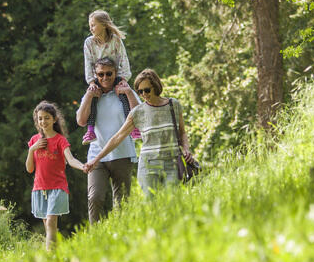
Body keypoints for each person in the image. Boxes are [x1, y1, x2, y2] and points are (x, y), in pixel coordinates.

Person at [84, 69, 193, 194]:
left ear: (156, 86)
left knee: (172, 203)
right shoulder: (137, 112)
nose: (144, 95)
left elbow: (182, 132)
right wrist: (96, 159)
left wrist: (186, 148)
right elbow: (117, 137)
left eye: (147, 90)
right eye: (140, 92)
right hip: (149, 166)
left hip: (172, 164)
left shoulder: (173, 105)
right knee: (152, 207)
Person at [76, 57, 139, 223]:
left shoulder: (124, 91)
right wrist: (89, 96)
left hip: (123, 153)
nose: (105, 78)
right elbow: (81, 121)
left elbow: (139, 116)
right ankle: (95, 236)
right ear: (95, 75)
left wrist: (129, 92)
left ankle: (121, 235)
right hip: (97, 155)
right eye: (100, 74)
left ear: (116, 73)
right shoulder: (92, 94)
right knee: (95, 197)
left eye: (109, 73)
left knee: (122, 202)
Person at [25, 101, 86, 250]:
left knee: (51, 222)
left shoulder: (60, 140)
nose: (43, 121)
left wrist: (83, 166)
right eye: (40, 118)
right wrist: (32, 149)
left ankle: (49, 257)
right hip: (39, 188)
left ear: (54, 119)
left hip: (58, 187)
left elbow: (70, 160)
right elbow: (29, 169)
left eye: (46, 118)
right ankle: (55, 255)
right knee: (49, 226)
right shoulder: (34, 140)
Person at [81, 10, 142, 144]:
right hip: (98, 77)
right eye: (90, 25)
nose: (91, 28)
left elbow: (123, 59)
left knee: (124, 97)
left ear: (103, 25)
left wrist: (124, 79)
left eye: (93, 25)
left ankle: (133, 128)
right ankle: (90, 130)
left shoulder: (115, 40)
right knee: (93, 98)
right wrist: (91, 82)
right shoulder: (89, 43)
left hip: (115, 75)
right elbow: (88, 63)